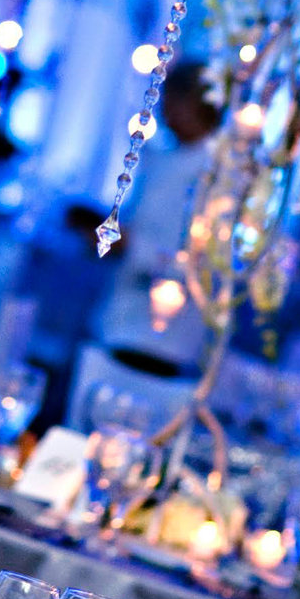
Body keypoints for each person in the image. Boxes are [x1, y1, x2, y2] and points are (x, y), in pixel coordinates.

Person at [95, 60, 219, 373]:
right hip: (122, 319)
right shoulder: (166, 158)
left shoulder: (214, 173)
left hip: (162, 337)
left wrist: (131, 247)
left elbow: (198, 259)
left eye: (171, 100)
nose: (165, 109)